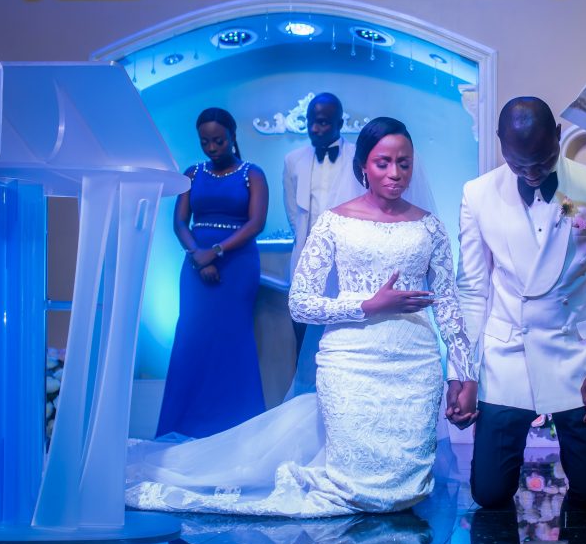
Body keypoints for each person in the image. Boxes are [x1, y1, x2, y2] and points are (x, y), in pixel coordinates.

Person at [127, 117, 479, 518]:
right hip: (351, 364)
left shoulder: (429, 227)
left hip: (415, 365)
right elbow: (301, 303)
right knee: (355, 486)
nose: (395, 173)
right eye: (383, 163)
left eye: (404, 163)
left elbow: (449, 304)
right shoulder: (334, 222)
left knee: (405, 492)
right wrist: (367, 306)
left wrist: (463, 376)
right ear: (363, 165)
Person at [453, 96, 586, 510]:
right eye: (520, 165)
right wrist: (462, 373)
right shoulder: (477, 195)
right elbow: (473, 289)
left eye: (543, 161)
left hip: (574, 353)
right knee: (490, 493)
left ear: (557, 137)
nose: (533, 174)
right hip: (506, 352)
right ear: (501, 145)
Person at [156, 107, 269, 439]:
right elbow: (179, 222)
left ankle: (236, 429)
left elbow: (256, 223)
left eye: (218, 140)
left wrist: (216, 252)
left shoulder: (253, 173)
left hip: (237, 266)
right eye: (205, 142)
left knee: (233, 342)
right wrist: (197, 256)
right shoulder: (192, 173)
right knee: (192, 340)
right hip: (195, 266)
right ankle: (185, 425)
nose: (212, 148)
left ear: (233, 137)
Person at [282, 92, 363, 399]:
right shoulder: (292, 161)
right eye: (311, 122)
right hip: (307, 261)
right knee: (303, 338)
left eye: (323, 122)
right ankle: (303, 403)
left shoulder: (359, 155)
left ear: (340, 123)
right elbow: (293, 213)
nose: (315, 129)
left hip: (348, 264)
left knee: (344, 338)